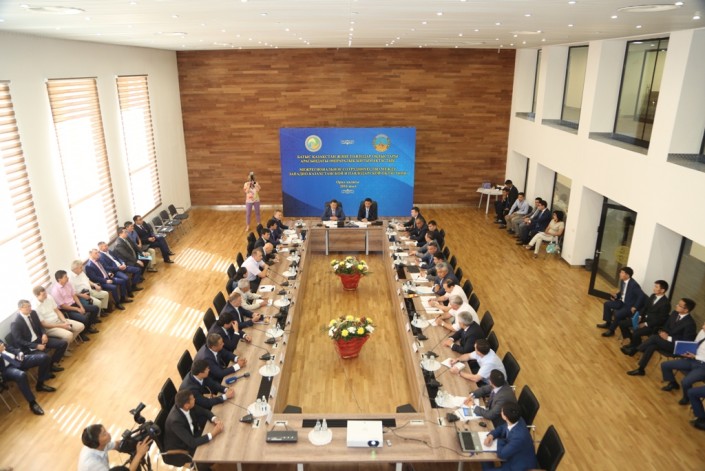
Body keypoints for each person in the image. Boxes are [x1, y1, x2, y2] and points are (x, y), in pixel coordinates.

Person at [627, 298, 697, 376]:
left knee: (654, 338)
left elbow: (686, 342)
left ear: (686, 310)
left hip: (675, 347)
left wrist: (668, 338)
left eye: (679, 305)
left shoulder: (690, 324)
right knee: (651, 346)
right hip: (664, 341)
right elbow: (665, 326)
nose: (676, 305)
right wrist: (662, 332)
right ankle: (641, 369)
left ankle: (635, 350)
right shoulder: (674, 313)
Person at [164, 390, 224, 467]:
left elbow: (204, 411)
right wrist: (213, 433)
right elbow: (192, 443)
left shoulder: (185, 406)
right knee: (202, 462)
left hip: (190, 434)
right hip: (181, 448)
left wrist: (214, 419)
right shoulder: (175, 422)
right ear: (186, 405)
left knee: (213, 439)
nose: (194, 399)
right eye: (192, 399)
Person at [10, 299, 67, 372]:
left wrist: (44, 334)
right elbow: (19, 341)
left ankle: (52, 364)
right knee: (45, 357)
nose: (29, 308)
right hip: (29, 345)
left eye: (30, 306)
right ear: (20, 309)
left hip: (39, 339)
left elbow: (40, 326)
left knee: (63, 343)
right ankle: (47, 371)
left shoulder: (33, 313)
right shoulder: (15, 323)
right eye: (26, 307)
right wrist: (36, 346)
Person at [619, 280, 671, 355]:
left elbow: (661, 320)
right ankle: (634, 342)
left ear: (662, 290)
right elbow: (645, 308)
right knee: (622, 323)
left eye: (656, 287)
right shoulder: (653, 296)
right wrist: (640, 316)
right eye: (654, 286)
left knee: (636, 332)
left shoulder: (666, 304)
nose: (654, 288)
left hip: (651, 325)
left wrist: (645, 324)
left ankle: (634, 348)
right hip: (643, 319)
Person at [660, 322, 705, 405]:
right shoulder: (702, 331)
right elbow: (695, 343)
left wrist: (695, 356)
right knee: (665, 365)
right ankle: (673, 383)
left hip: (702, 366)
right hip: (691, 359)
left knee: (685, 382)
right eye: (703, 324)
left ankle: (686, 398)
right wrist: (687, 351)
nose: (702, 326)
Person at [481, 403, 538, 470]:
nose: (501, 412)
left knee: (485, 463)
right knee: (484, 456)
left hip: (517, 465)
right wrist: (491, 435)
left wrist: (498, 441)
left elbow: (502, 454)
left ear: (505, 417)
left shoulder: (518, 437)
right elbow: (502, 428)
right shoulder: (517, 419)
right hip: (513, 451)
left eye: (502, 411)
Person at [0, 340, 51, 415]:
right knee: (21, 375)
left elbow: (9, 347)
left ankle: (40, 384)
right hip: (5, 369)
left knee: (44, 357)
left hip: (17, 359)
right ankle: (32, 403)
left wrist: (18, 352)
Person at [79, 423, 151, 471]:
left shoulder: (97, 445)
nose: (108, 433)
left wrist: (135, 439)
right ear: (97, 443)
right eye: (104, 434)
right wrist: (139, 454)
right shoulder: (93, 464)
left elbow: (117, 445)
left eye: (105, 431)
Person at [597, 267, 645, 337]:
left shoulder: (634, 285)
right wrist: (616, 296)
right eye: (620, 272)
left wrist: (635, 306)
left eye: (622, 273)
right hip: (622, 302)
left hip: (629, 306)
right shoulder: (623, 281)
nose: (620, 274)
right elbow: (623, 292)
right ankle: (608, 323)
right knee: (607, 304)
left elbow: (641, 295)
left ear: (627, 275)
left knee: (618, 314)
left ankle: (611, 330)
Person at [50, 270, 100, 335]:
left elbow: (74, 296)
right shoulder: (55, 291)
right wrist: (77, 309)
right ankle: (83, 334)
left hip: (74, 304)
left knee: (95, 308)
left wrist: (81, 306)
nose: (67, 278)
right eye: (65, 277)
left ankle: (89, 327)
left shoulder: (68, 283)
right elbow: (63, 306)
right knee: (84, 318)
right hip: (67, 309)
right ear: (60, 279)